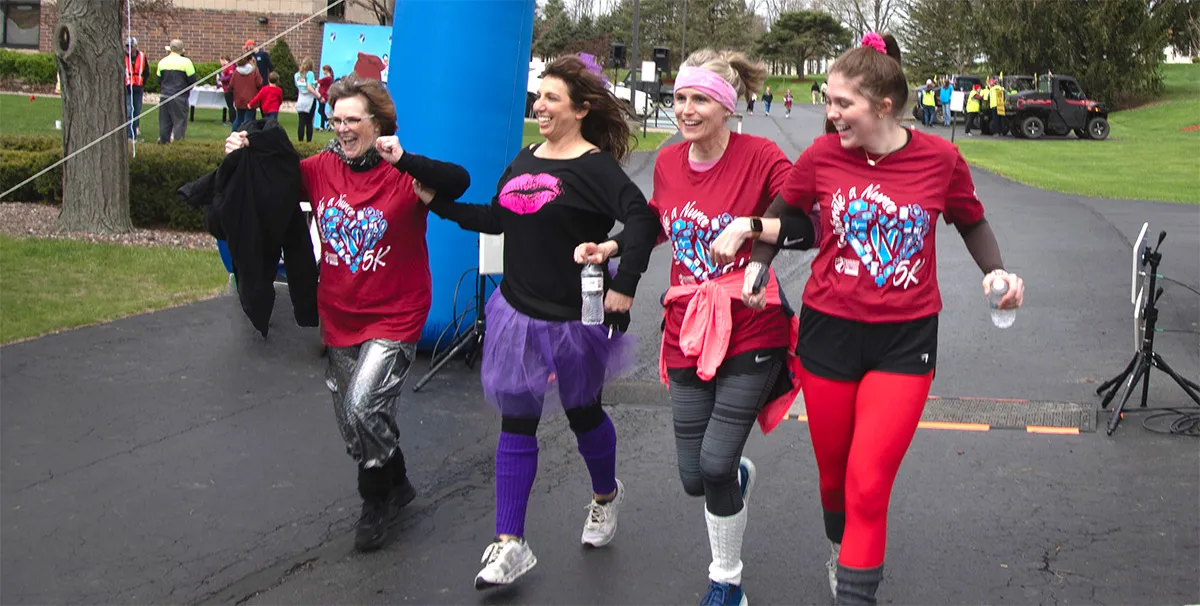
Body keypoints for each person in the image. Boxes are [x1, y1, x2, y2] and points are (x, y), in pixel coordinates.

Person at [746, 32, 1026, 604]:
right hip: (829, 333)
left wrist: (996, 273)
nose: (830, 114)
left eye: (841, 103)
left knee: (868, 484)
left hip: (905, 339)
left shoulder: (940, 159)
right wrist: (758, 263)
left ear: (884, 105)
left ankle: (855, 590)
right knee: (833, 477)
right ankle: (840, 549)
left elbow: (971, 220)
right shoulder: (823, 156)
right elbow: (780, 211)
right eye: (828, 100)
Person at [420, 55, 659, 590]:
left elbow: (644, 218)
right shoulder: (527, 157)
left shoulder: (595, 166)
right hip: (516, 311)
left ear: (581, 109)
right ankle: (511, 545)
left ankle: (605, 496)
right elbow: (497, 218)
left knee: (582, 414)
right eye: (538, 96)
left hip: (575, 317)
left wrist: (624, 283)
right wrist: (438, 204)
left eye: (552, 97)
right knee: (516, 420)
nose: (540, 105)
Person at [586, 48, 803, 606]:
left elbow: (806, 219)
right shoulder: (667, 159)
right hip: (686, 323)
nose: (685, 109)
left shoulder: (760, 156)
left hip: (751, 324)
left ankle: (725, 583)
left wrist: (751, 226)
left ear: (726, 106)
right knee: (694, 476)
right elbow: (660, 221)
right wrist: (613, 244)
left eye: (699, 99)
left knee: (712, 463)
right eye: (680, 98)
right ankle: (735, 478)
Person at [224, 76, 471, 553]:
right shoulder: (319, 169)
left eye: (351, 119)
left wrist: (407, 159)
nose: (341, 128)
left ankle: (375, 502)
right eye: (335, 119)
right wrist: (243, 151)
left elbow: (458, 181)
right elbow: (273, 181)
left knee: (363, 407)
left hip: (396, 312)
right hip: (339, 312)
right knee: (354, 430)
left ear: (377, 123)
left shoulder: (403, 172)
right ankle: (395, 480)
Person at [156, 39, 196, 144]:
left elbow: (158, 80)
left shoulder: (162, 62)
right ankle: (178, 146)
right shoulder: (186, 62)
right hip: (180, 97)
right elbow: (192, 80)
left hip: (164, 96)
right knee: (179, 123)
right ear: (182, 50)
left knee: (164, 123)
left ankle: (163, 145)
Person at [229, 55, 263, 132]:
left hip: (239, 99)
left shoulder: (236, 72)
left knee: (238, 119)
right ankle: (246, 135)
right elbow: (259, 83)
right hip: (251, 99)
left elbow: (231, 85)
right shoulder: (254, 71)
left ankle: (234, 134)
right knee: (248, 120)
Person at [123, 37, 148, 140]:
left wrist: (142, 84)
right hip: (128, 88)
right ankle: (129, 135)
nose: (128, 48)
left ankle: (134, 133)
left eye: (130, 46)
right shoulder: (123, 57)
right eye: (127, 46)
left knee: (136, 112)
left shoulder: (142, 56)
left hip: (138, 88)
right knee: (129, 112)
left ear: (135, 46)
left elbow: (146, 72)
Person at [294, 57, 319, 142]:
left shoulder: (297, 75)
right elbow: (309, 87)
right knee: (309, 122)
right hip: (310, 100)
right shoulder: (310, 74)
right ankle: (308, 142)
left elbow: (299, 86)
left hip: (301, 99)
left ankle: (300, 141)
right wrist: (318, 96)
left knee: (301, 122)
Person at [317, 65, 335, 130]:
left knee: (320, 110)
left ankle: (327, 121)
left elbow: (319, 81)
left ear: (326, 70)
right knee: (322, 109)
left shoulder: (328, 78)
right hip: (323, 94)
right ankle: (322, 126)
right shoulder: (329, 78)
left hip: (323, 95)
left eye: (324, 70)